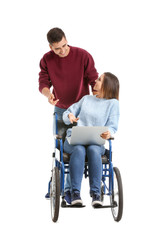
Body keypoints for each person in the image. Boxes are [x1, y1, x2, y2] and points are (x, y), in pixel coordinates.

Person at [38, 27, 98, 202]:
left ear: (66, 39)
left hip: (83, 110)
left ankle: (79, 187)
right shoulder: (47, 60)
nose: (62, 51)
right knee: (65, 149)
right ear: (51, 47)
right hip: (61, 110)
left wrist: (98, 104)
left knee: (83, 148)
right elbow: (43, 81)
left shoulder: (83, 55)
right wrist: (48, 95)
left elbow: (94, 80)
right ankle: (64, 187)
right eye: (57, 48)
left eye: (64, 45)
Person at [62, 72, 120, 207]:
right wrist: (70, 116)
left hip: (95, 142)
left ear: (107, 85)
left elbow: (113, 126)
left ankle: (96, 194)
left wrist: (108, 133)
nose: (96, 81)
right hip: (75, 140)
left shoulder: (113, 104)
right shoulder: (86, 99)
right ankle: (75, 192)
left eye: (100, 80)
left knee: (94, 150)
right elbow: (67, 113)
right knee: (79, 150)